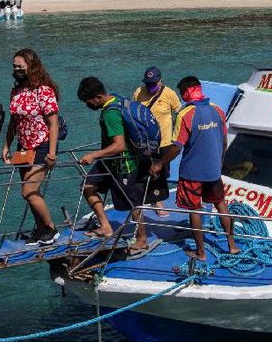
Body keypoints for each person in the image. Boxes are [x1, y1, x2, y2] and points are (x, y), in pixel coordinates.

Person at [151, 76, 239, 260]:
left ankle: (201, 252)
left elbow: (176, 147)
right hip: (213, 171)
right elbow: (223, 141)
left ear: (185, 94)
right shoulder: (218, 111)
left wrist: (159, 163)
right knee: (221, 205)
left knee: (194, 210)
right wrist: (219, 162)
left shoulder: (186, 114)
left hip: (192, 173)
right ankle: (232, 246)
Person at [77, 77, 168, 250]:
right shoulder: (116, 99)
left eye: (88, 101)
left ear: (97, 97)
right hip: (109, 161)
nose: (88, 105)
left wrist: (93, 155)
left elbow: (119, 146)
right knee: (87, 186)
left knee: (132, 203)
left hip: (123, 164)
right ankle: (105, 226)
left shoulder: (110, 113)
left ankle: (142, 239)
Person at [2, 48, 60, 246]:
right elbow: (13, 121)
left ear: (31, 67)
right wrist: (7, 144)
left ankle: (51, 228)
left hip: (42, 145)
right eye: (14, 66)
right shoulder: (16, 91)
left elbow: (54, 123)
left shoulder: (44, 90)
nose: (17, 69)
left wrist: (52, 153)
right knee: (30, 195)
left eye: (21, 66)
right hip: (23, 146)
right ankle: (40, 229)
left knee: (28, 191)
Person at [132, 66, 181, 217]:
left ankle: (158, 200)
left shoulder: (169, 93)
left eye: (153, 83)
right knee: (145, 169)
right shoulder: (138, 92)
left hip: (164, 141)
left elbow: (179, 113)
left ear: (160, 81)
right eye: (148, 83)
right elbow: (133, 113)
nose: (150, 86)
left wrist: (177, 136)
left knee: (161, 171)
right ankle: (149, 199)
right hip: (144, 141)